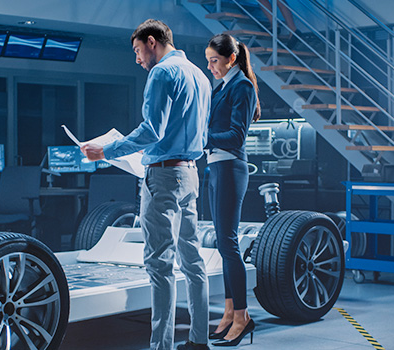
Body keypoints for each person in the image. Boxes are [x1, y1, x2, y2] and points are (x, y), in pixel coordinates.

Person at [81, 19, 212, 350]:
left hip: (164, 176)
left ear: (152, 42)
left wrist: (105, 151)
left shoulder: (163, 73)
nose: (137, 59)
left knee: (159, 265)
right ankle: (199, 341)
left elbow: (152, 130)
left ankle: (161, 346)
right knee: (193, 261)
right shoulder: (200, 75)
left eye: (138, 51)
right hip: (191, 173)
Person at [203, 33, 260, 347]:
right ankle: (228, 312)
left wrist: (204, 136)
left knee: (229, 244)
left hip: (230, 167)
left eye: (214, 61)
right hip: (217, 167)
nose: (211, 67)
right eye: (208, 61)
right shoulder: (223, 85)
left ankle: (243, 316)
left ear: (231, 59)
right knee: (224, 247)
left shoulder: (242, 86)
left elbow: (235, 136)